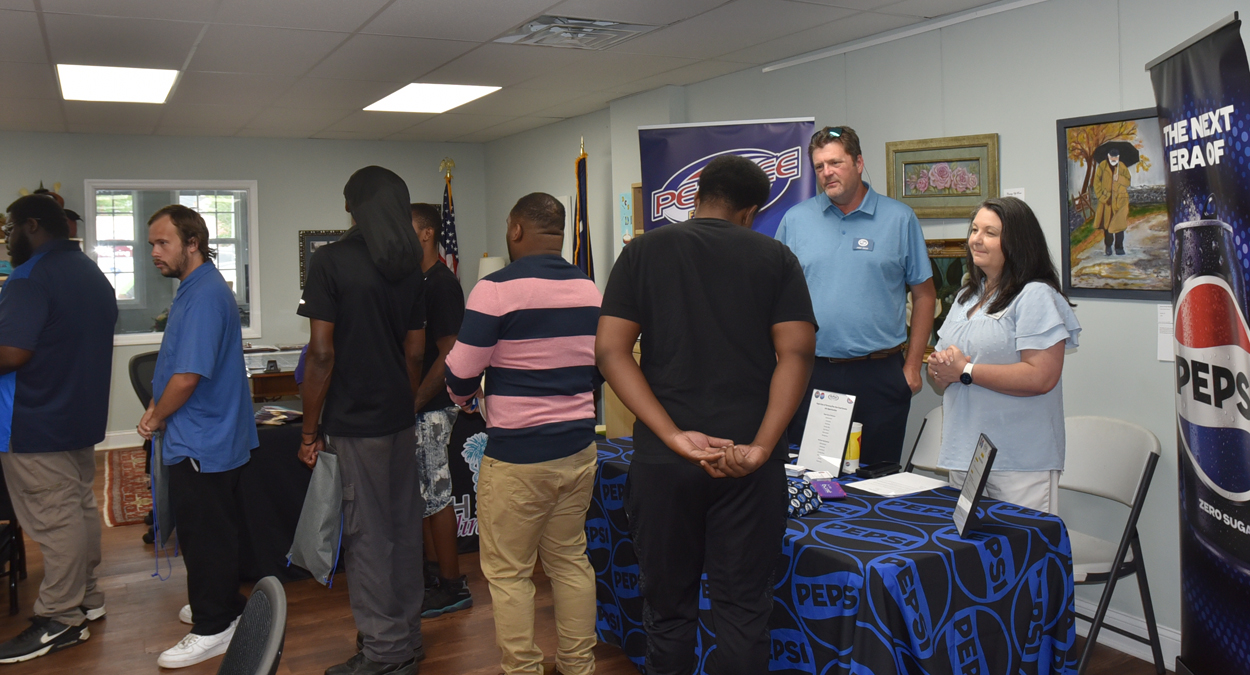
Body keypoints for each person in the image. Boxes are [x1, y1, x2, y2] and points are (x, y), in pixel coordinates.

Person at [597, 156, 817, 675]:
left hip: (665, 463)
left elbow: (610, 351)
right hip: (746, 461)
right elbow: (797, 354)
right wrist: (762, 448)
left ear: (695, 196)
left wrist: (673, 436)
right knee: (742, 611)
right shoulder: (776, 257)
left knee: (668, 610)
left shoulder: (642, 252)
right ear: (750, 212)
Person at [445, 193, 601, 675]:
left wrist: (467, 398)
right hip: (578, 450)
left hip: (518, 458)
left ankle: (523, 670)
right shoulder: (590, 289)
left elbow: (460, 374)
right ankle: (578, 666)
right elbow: (598, 367)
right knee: (570, 561)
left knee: (510, 573)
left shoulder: (494, 290)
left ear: (515, 230)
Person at [298, 166, 427, 675]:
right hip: (399, 419)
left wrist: (309, 431)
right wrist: (404, 402)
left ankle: (386, 654)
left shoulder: (330, 261)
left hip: (355, 423)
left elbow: (321, 354)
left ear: (352, 207)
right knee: (402, 529)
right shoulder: (411, 267)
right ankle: (407, 637)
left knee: (367, 536)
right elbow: (414, 352)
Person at [136, 204, 259, 668]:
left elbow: (187, 377)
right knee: (211, 531)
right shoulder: (194, 287)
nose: (154, 252)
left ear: (193, 243)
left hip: (204, 439)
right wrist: (155, 406)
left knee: (206, 535)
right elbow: (174, 364)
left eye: (162, 242)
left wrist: (155, 418)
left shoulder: (205, 295)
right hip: (202, 434)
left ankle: (213, 627)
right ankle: (222, 602)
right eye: (151, 243)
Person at [775, 125, 935, 465]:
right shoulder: (795, 220)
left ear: (859, 163)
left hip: (879, 374)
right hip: (811, 372)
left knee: (877, 478)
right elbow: (774, 297)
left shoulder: (900, 219)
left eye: (835, 163)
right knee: (812, 474)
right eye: (819, 166)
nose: (827, 173)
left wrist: (911, 368)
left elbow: (924, 296)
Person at [0, 195, 116, 663]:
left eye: (9, 228)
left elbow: (12, 353)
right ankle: (86, 596)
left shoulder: (29, 278)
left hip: (32, 421)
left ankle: (60, 618)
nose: (7, 237)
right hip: (76, 415)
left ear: (31, 225)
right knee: (78, 507)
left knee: (55, 518)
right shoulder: (90, 272)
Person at [927, 197, 1080, 513]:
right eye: (974, 230)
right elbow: (944, 371)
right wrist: (939, 368)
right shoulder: (967, 296)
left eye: (990, 233)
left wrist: (966, 370)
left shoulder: (1035, 295)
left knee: (1021, 544)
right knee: (968, 545)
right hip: (966, 453)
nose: (976, 239)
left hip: (1018, 460)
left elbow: (1041, 376)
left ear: (1017, 242)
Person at [408, 202, 471, 618]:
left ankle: (452, 585)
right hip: (421, 405)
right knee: (425, 496)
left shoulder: (441, 284)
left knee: (437, 493)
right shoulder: (420, 281)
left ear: (427, 233)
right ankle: (432, 576)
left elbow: (450, 352)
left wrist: (415, 401)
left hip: (433, 405)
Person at [1093, 149, 1131, 256]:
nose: (1114, 160)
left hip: (1120, 200)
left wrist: (1120, 178)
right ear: (1108, 157)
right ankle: (1108, 246)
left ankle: (1119, 247)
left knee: (1119, 224)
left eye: (1116, 158)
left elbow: (1128, 182)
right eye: (1112, 158)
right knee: (1107, 225)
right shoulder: (1102, 166)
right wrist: (1102, 197)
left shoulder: (1122, 166)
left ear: (1118, 157)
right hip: (1107, 201)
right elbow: (1096, 183)